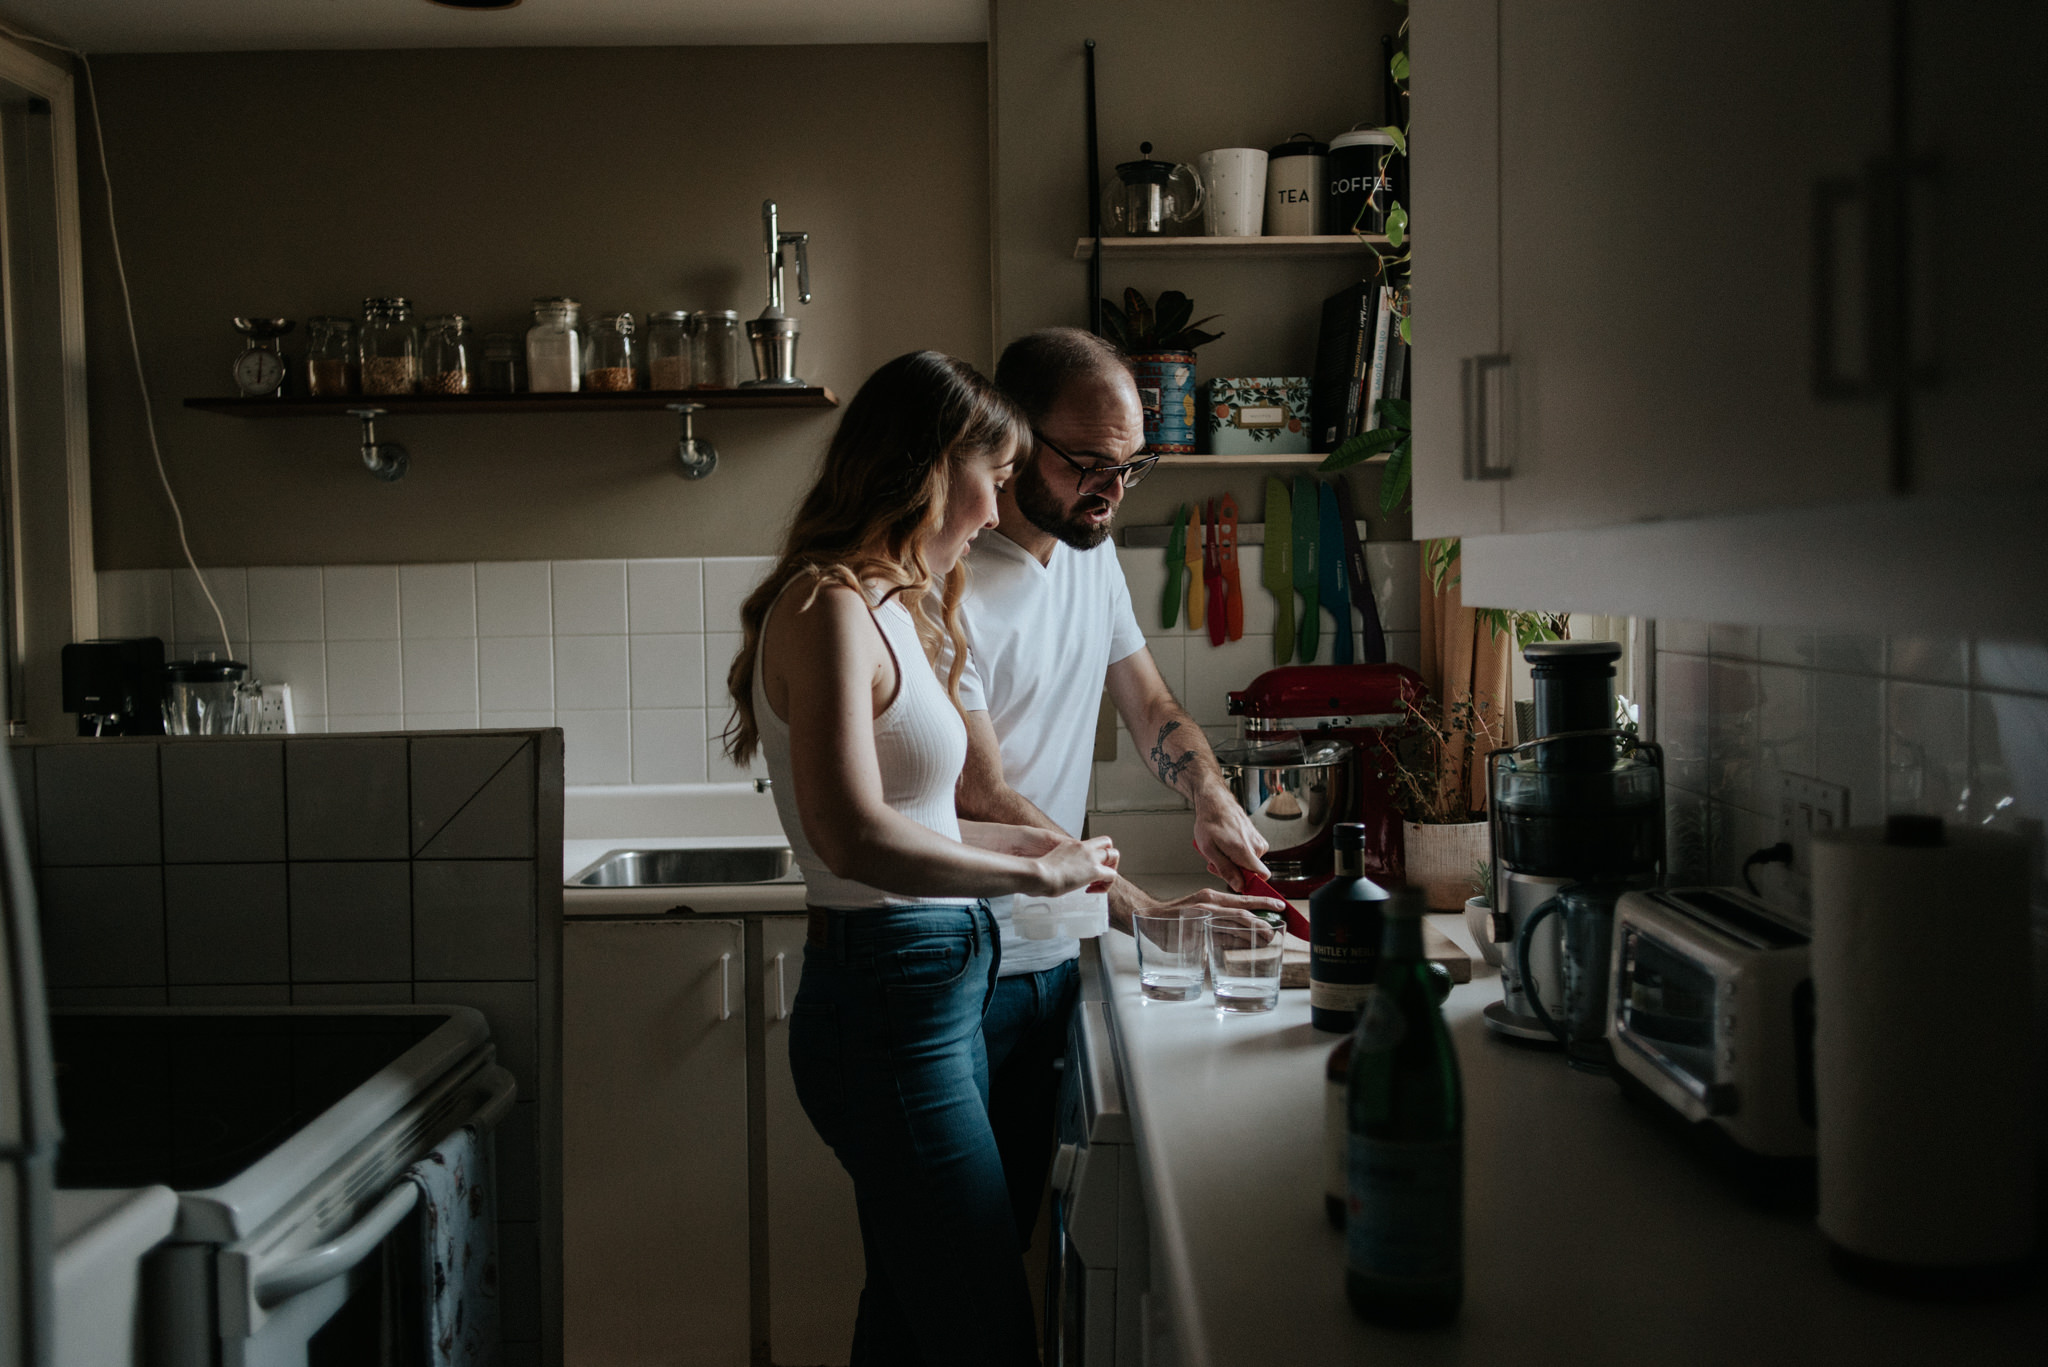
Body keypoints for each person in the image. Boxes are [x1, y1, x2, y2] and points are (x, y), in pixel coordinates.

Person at [722, 350, 1118, 1366]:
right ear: (933, 468)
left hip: (933, 992)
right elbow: (851, 833)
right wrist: (1032, 874)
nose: (994, 512)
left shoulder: (897, 606)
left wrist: (1040, 844)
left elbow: (926, 817)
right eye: (991, 478)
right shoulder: (823, 607)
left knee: (911, 1316)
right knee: (983, 1328)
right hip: (884, 1008)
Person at [954, 327, 1285, 1241]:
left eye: (1131, 467)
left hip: (1054, 956)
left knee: (1002, 1243)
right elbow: (979, 794)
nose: (1110, 489)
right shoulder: (950, 580)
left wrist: (1210, 792)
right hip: (967, 967)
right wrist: (1140, 905)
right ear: (1013, 437)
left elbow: (1150, 706)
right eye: (1089, 464)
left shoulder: (1091, 552)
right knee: (953, 1268)